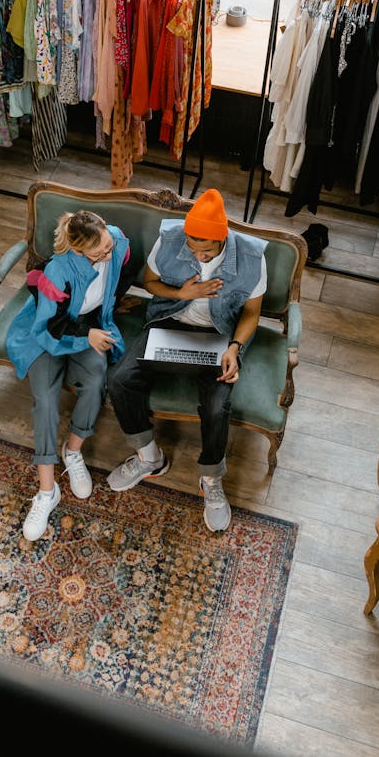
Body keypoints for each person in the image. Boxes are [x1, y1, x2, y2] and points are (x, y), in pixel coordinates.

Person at [106, 188, 267, 532]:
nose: (196, 252)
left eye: (205, 249)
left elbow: (252, 313)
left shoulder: (252, 257)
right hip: (170, 321)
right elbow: (150, 282)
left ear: (223, 239)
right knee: (120, 380)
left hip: (219, 336)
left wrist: (235, 348)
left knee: (216, 405)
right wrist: (181, 293)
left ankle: (210, 478)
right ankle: (150, 457)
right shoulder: (171, 238)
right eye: (192, 247)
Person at [6, 209, 133, 542]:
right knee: (46, 399)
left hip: (90, 328)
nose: (108, 255)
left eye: (107, 246)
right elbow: (48, 327)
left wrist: (104, 320)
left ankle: (73, 450)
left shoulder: (117, 242)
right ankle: (47, 492)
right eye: (99, 253)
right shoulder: (57, 271)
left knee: (95, 380)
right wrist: (85, 337)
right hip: (49, 334)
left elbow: (122, 270)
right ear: (78, 251)